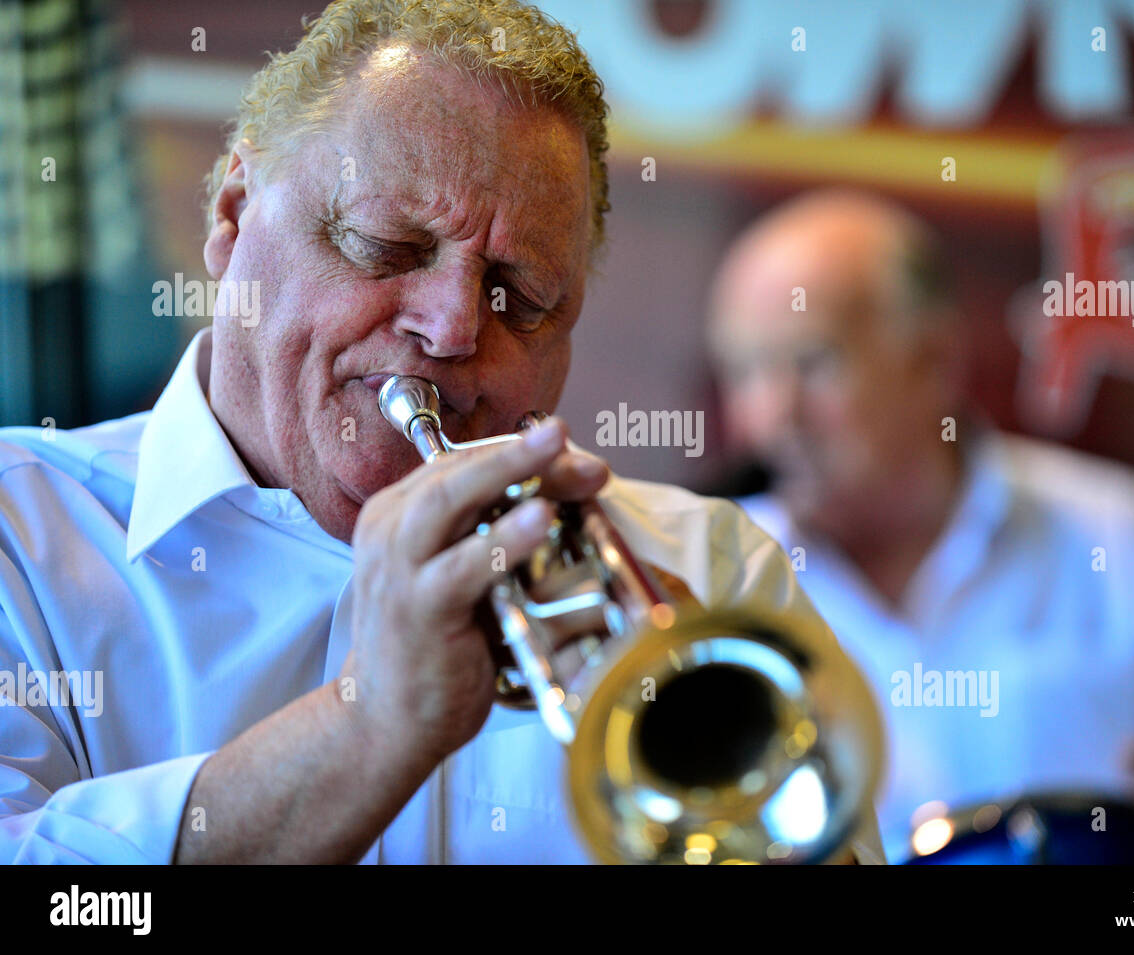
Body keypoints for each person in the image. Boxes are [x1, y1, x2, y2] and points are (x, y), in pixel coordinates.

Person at [0, 0, 883, 865]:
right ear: (232, 217)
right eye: (386, 245)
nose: (456, 327)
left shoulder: (711, 571)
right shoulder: (23, 535)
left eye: (523, 297)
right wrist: (368, 724)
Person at [706, 188, 1134, 864]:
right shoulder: (713, 574)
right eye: (744, 370)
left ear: (935, 357)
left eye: (812, 362)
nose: (772, 413)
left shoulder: (1115, 529)